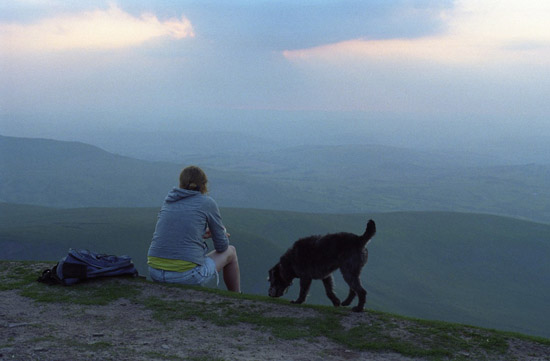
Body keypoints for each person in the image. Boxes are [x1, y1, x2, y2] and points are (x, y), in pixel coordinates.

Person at [147, 166, 240, 292]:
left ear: (181, 182)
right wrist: (221, 232)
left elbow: (175, 233)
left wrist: (201, 234)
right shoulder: (207, 203)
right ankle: (237, 297)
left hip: (155, 272)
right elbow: (222, 246)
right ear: (204, 184)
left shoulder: (169, 201)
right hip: (184, 276)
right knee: (231, 251)